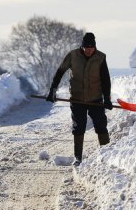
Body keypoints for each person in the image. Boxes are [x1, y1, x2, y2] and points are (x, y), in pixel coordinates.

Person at [46, 32, 113, 166]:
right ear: (82, 47)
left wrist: (107, 98)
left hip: (95, 99)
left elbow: (106, 79)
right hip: (77, 99)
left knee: (101, 125)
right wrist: (53, 89)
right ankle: (78, 158)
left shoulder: (100, 57)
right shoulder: (73, 56)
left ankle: (106, 155)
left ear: (95, 47)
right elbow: (60, 72)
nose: (89, 51)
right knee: (79, 127)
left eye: (91, 48)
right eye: (86, 48)